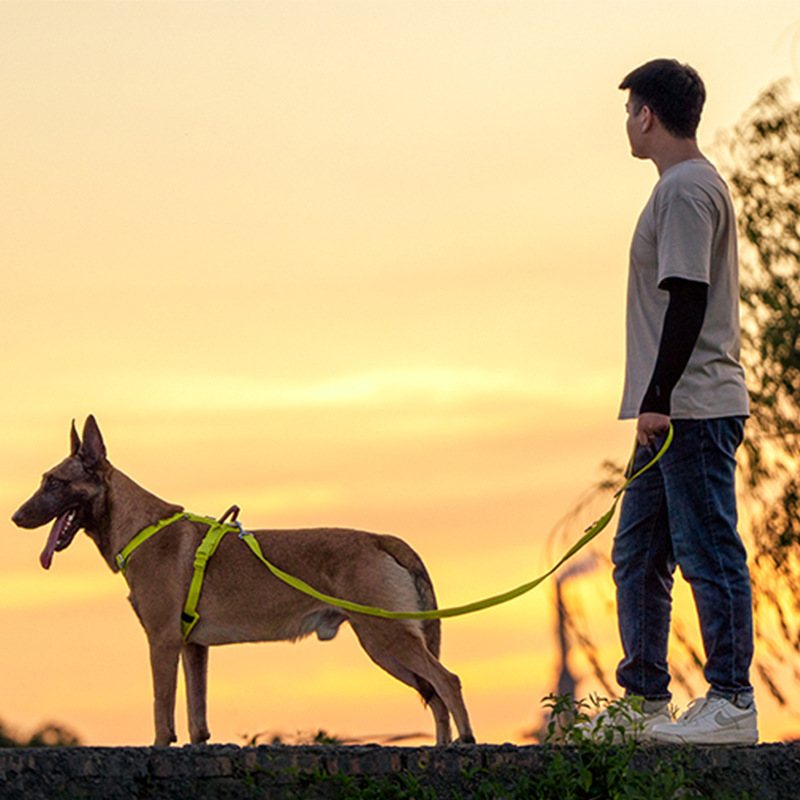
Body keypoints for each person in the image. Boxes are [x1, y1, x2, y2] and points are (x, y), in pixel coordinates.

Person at [609, 59, 757, 745]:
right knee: (640, 552)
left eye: (630, 109)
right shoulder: (683, 187)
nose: (626, 122)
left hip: (689, 408)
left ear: (648, 114)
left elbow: (688, 294)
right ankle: (642, 703)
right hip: (671, 409)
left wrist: (660, 397)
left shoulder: (687, 189)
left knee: (707, 551)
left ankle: (731, 700)